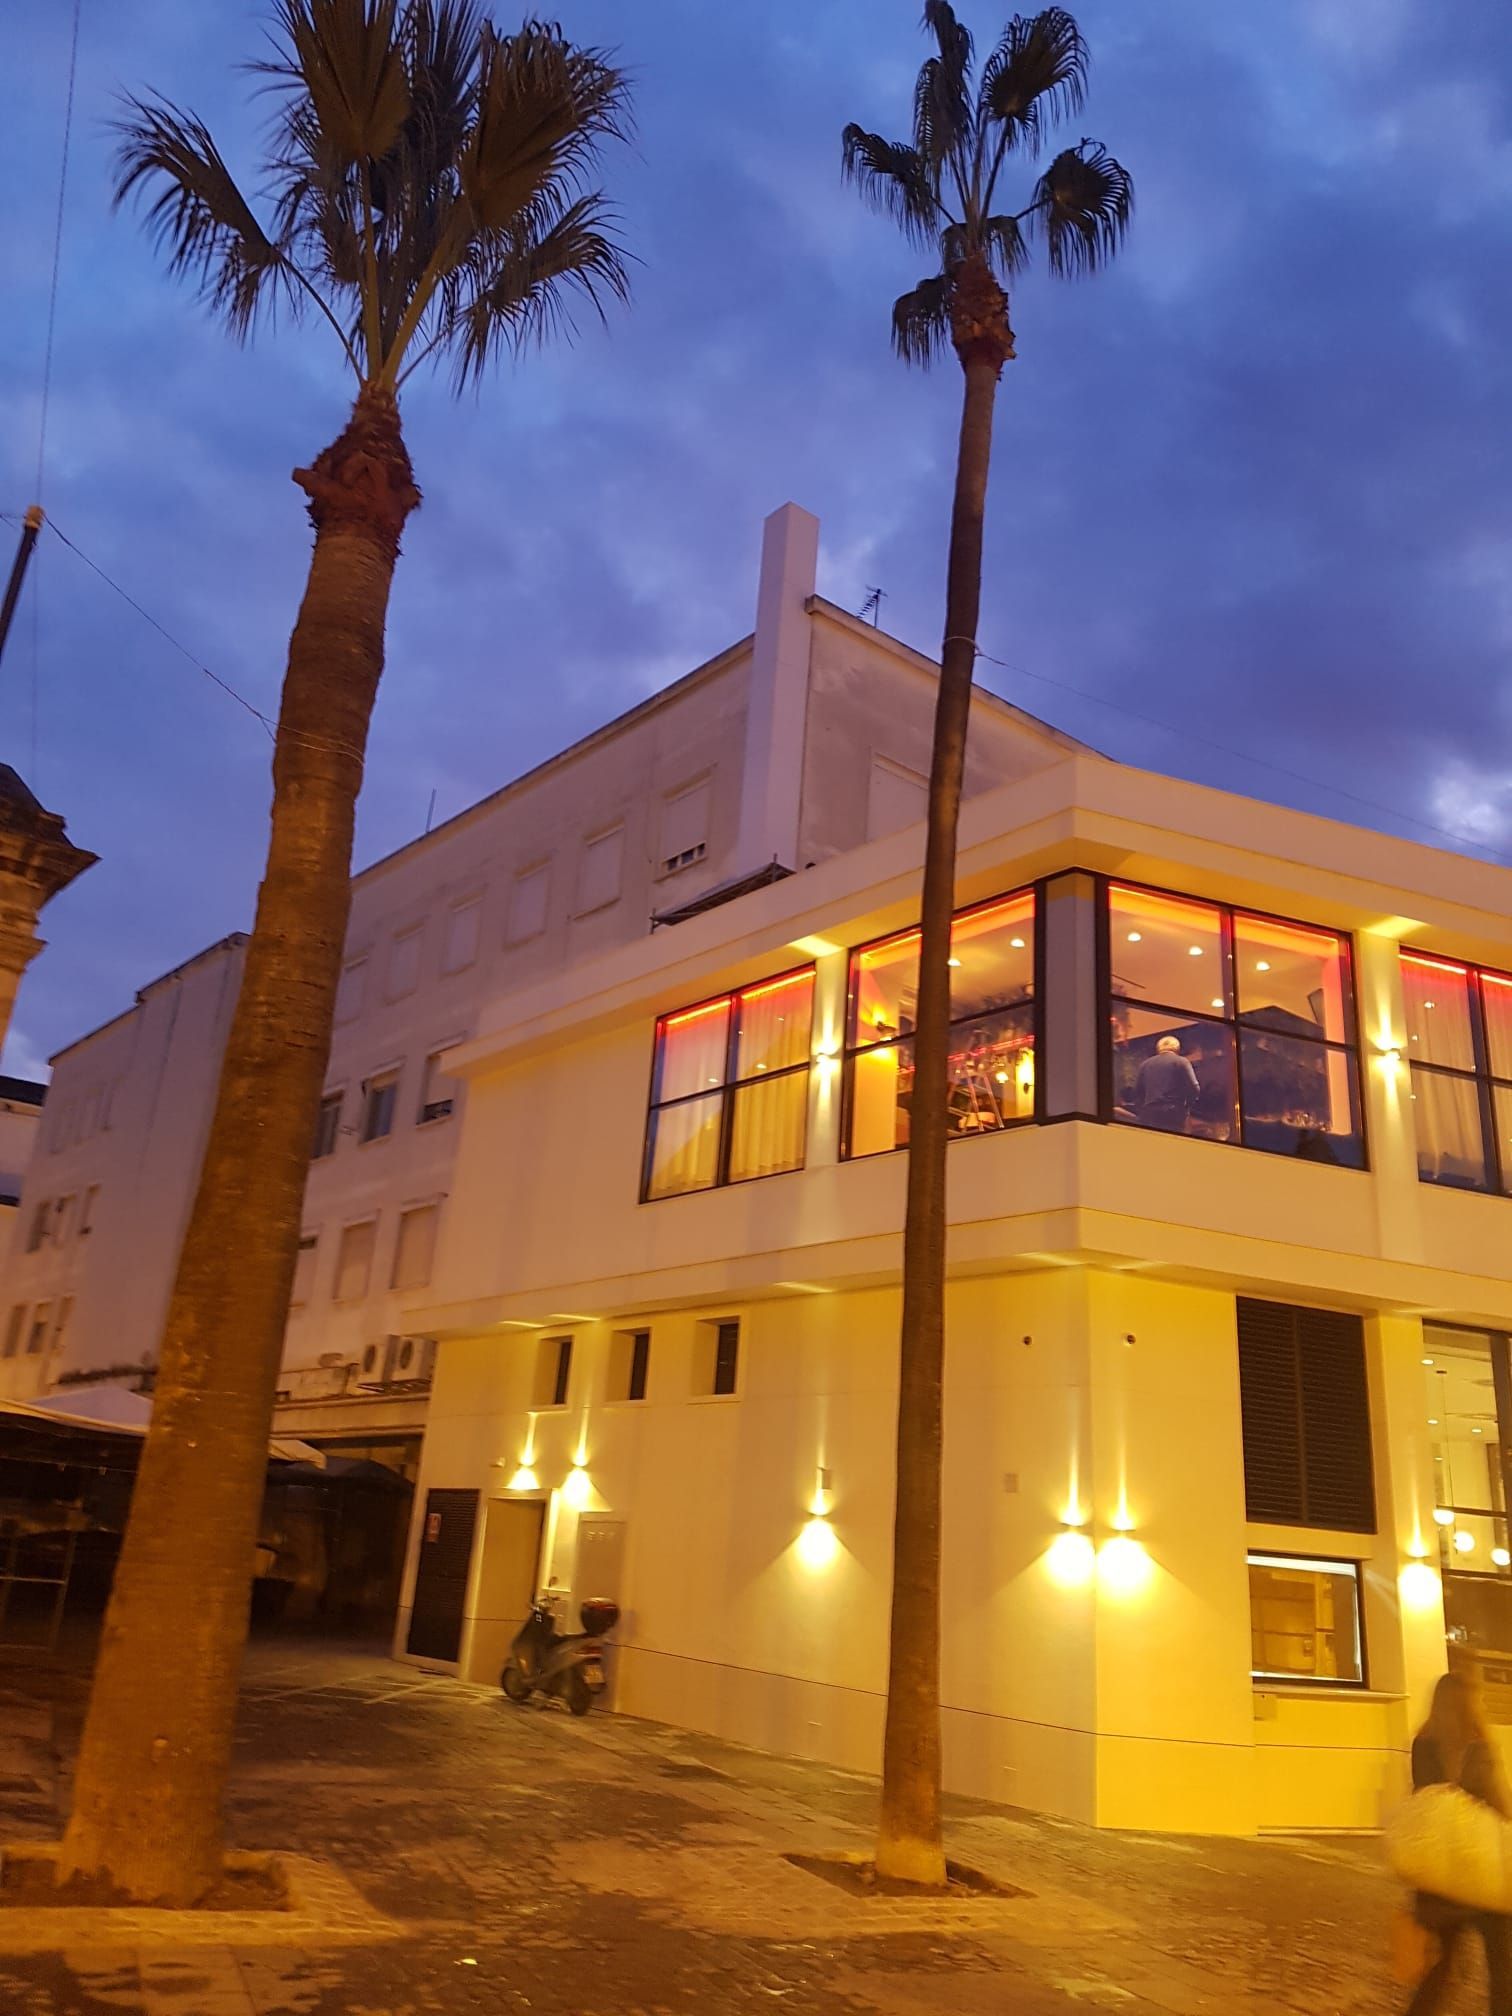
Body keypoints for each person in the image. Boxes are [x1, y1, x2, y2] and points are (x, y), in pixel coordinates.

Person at [1404, 1671, 1512, 2015]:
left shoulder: (1423, 1744)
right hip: (1480, 1872)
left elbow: (1422, 1799)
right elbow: (1500, 1806)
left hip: (1440, 1875)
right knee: (1502, 1966)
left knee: (1443, 1966)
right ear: (1471, 1703)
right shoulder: (1479, 1746)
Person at [1134, 1034, 1200, 1133]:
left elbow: (1138, 1091)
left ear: (1158, 1048)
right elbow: (1194, 1087)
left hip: (1150, 1112)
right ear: (1177, 1048)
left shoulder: (1145, 1064)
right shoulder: (1182, 1061)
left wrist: (1142, 1110)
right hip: (1173, 1111)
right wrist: (1187, 1105)